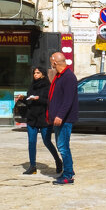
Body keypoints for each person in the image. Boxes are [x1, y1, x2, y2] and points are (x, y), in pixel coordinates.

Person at [47, 51, 79, 185]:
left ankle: (68, 176)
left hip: (64, 119)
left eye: (51, 62)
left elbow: (68, 100)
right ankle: (69, 171)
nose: (50, 64)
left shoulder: (68, 77)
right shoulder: (60, 76)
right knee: (63, 146)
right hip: (58, 118)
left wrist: (60, 115)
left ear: (54, 62)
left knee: (63, 147)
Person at [22, 66, 61, 175]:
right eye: (34, 73)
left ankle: (58, 161)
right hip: (32, 118)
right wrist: (23, 99)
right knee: (31, 142)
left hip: (44, 118)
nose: (35, 75)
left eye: (38, 73)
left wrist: (39, 99)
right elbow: (29, 101)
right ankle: (32, 166)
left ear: (43, 74)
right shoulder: (32, 85)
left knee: (47, 141)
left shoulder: (48, 86)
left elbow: (50, 101)